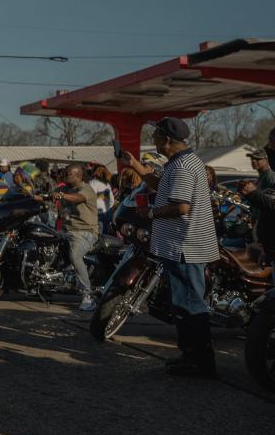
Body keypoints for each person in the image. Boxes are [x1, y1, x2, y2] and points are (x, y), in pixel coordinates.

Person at [119, 117, 218, 378]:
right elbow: (159, 184)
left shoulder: (183, 166)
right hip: (182, 246)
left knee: (189, 304)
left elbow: (181, 207)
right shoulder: (179, 163)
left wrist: (150, 213)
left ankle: (199, 360)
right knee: (184, 302)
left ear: (166, 140)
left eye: (155, 136)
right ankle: (192, 355)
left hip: (185, 246)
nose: (152, 140)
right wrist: (135, 165)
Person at [53, 165, 99, 311]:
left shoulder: (85, 189)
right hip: (67, 230)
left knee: (75, 255)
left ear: (78, 175)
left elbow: (77, 198)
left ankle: (88, 295)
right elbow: (48, 196)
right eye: (64, 173)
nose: (64, 176)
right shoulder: (65, 189)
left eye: (68, 174)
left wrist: (61, 196)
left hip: (85, 232)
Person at [240, 130, 275, 257]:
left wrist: (253, 193)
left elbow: (270, 203)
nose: (254, 161)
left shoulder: (270, 177)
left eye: (258, 159)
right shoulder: (261, 177)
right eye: (252, 159)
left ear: (266, 160)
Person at [89, 165, 115, 234]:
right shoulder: (107, 184)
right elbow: (112, 200)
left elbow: (91, 198)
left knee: (98, 236)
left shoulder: (93, 183)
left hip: (97, 214)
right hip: (107, 213)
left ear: (95, 172)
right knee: (107, 235)